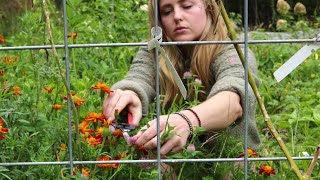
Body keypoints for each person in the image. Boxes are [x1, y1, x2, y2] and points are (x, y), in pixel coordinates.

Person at [103, 0, 261, 157]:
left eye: (187, 6)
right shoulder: (155, 49)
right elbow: (138, 78)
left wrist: (186, 121)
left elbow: (233, 101)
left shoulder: (233, 50)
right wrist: (129, 93)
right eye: (166, 12)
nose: (177, 16)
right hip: (177, 158)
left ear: (209, 8)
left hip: (232, 158)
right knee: (153, 156)